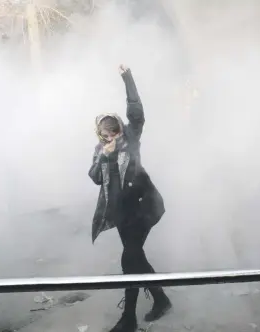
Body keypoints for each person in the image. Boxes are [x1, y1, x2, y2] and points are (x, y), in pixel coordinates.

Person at [88, 64, 172, 332]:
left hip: (144, 208)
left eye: (115, 132)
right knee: (137, 258)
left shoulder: (131, 139)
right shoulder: (100, 151)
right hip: (122, 214)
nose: (111, 138)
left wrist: (127, 78)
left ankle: (128, 319)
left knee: (129, 260)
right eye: (106, 134)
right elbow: (95, 177)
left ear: (121, 130)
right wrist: (105, 155)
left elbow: (137, 114)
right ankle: (161, 300)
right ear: (100, 133)